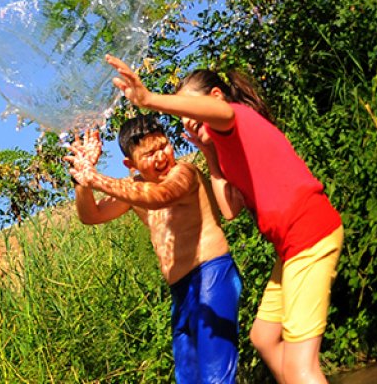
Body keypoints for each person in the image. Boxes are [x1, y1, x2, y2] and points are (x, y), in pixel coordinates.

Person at [105, 54, 343, 384]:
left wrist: (148, 99)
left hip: (309, 234)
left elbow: (223, 112)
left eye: (190, 109)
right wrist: (209, 152)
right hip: (290, 248)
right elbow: (230, 211)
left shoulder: (236, 117)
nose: (187, 119)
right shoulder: (224, 145)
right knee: (264, 337)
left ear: (215, 97)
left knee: (303, 366)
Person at [67, 115, 241, 384]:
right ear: (130, 163)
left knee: (216, 378)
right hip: (180, 293)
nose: (161, 157)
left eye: (163, 146)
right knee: (190, 380)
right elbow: (91, 215)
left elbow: (161, 197)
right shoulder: (134, 188)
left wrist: (97, 179)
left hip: (212, 276)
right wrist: (82, 181)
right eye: (149, 154)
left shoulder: (183, 173)